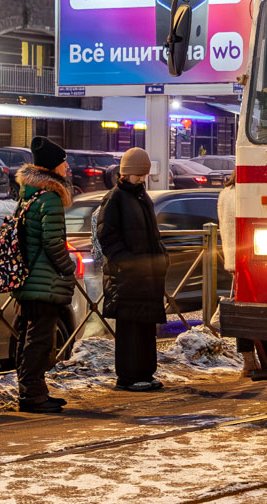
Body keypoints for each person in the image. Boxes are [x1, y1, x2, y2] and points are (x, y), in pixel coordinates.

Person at [13, 135, 77, 414]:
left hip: (27, 278)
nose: (67, 168)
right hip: (44, 281)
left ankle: (33, 392)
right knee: (39, 339)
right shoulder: (50, 197)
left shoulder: (28, 195)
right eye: (64, 163)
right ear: (53, 168)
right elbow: (54, 243)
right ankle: (33, 397)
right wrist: (68, 267)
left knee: (29, 336)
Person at [97, 147, 169, 392]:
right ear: (126, 173)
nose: (141, 178)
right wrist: (126, 262)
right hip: (128, 275)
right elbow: (106, 235)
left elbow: (152, 234)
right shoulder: (116, 197)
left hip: (145, 274)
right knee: (130, 329)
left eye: (144, 174)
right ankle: (128, 376)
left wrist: (160, 257)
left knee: (145, 326)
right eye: (138, 174)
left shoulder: (140, 196)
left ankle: (145, 373)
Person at [215, 174, 258, 376]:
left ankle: (249, 360)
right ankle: (249, 360)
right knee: (247, 311)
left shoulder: (225, 194)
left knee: (242, 307)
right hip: (251, 258)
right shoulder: (246, 193)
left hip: (234, 259)